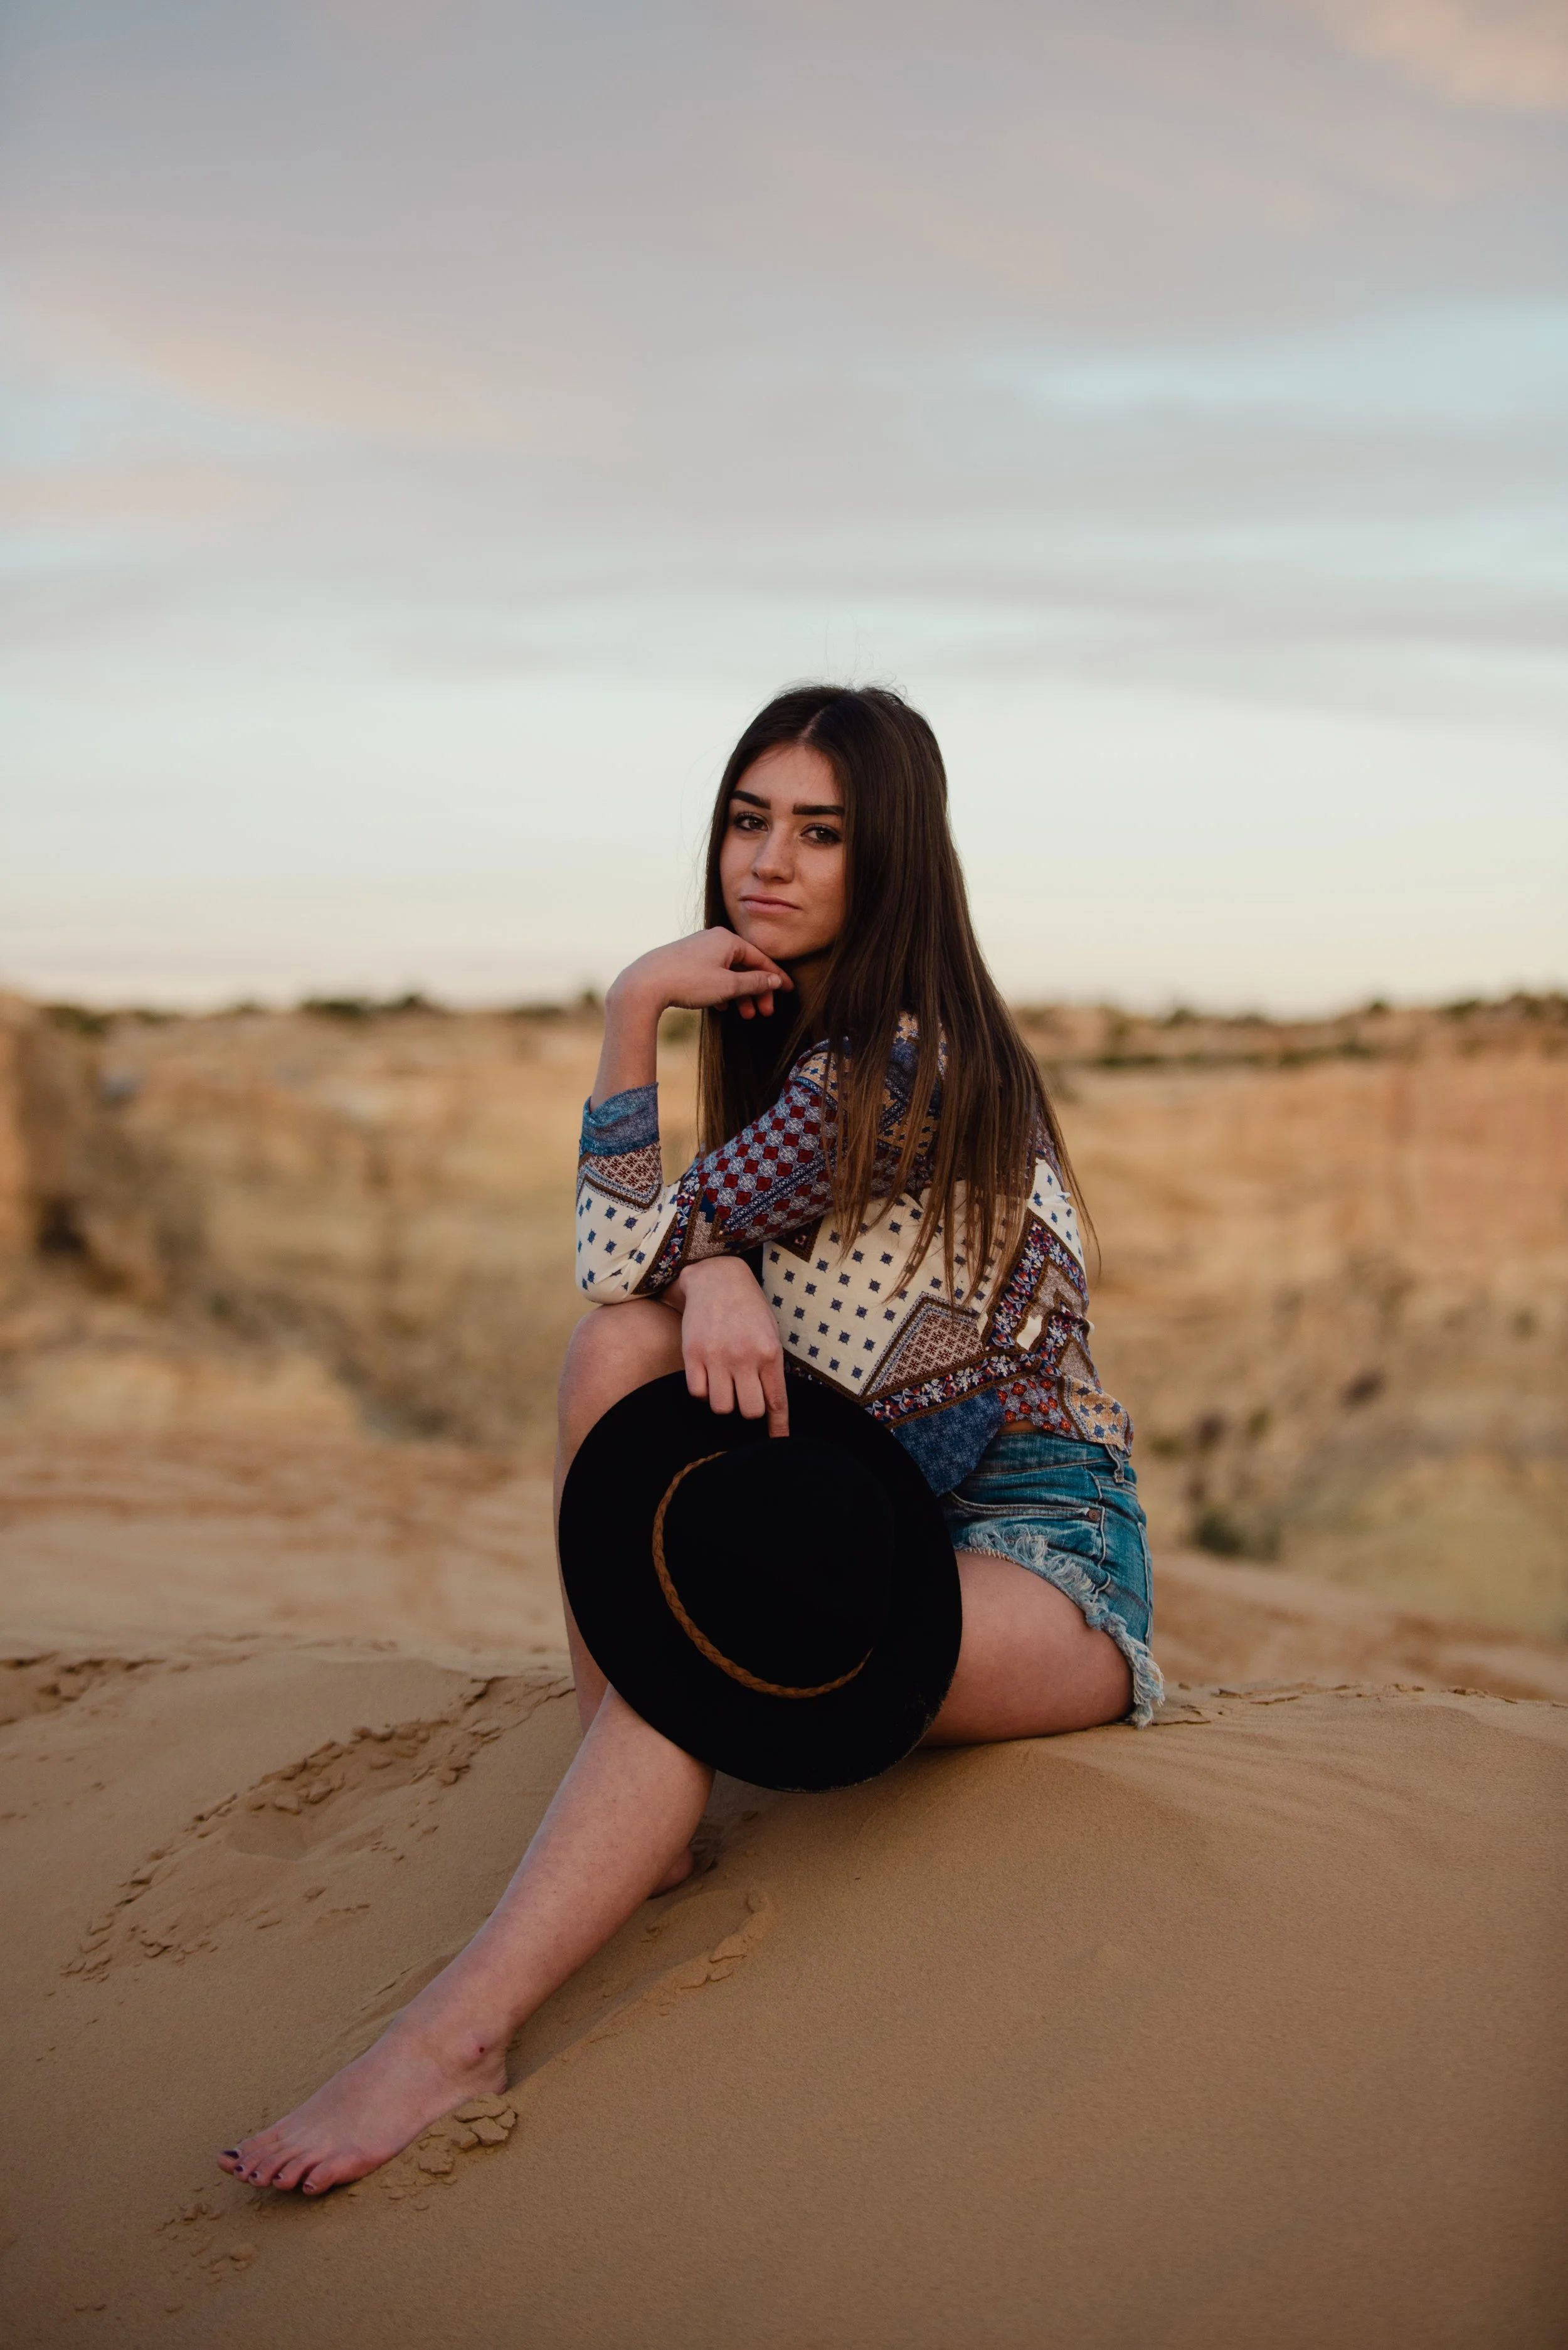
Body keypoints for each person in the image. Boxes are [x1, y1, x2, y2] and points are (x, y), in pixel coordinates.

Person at [220, 683, 1160, 2197]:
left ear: (890, 860)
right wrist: (710, 1259)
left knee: (715, 1608)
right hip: (873, 1513)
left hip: (1040, 1556)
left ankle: (454, 2032)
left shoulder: (900, 1064)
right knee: (622, 1350)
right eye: (746, 819)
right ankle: (635, 1813)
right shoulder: (804, 1042)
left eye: (819, 833)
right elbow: (643, 1279)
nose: (765, 862)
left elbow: (615, 1242)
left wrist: (624, 1016)